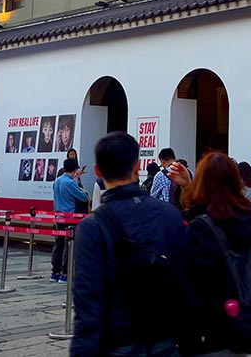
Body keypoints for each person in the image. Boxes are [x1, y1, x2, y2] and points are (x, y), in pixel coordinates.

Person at [71, 133, 189, 357]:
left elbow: (87, 299)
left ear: (98, 171)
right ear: (137, 167)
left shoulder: (92, 227)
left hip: (116, 339)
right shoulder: (169, 215)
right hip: (164, 337)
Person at [172, 152, 251, 355]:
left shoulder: (202, 228)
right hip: (240, 314)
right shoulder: (244, 217)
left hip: (208, 327)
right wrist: (187, 186)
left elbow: (192, 280)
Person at [52, 158, 89, 283]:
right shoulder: (70, 183)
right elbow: (83, 197)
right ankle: (65, 273)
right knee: (69, 246)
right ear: (74, 169)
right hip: (70, 218)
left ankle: (54, 272)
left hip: (58, 217)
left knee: (58, 244)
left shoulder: (57, 181)